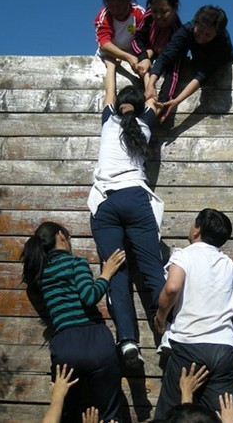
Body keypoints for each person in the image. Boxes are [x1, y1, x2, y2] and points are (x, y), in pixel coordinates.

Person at [87, 85, 166, 368]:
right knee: (152, 269)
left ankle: (128, 341)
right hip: (135, 197)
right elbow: (154, 100)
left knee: (115, 273)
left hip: (106, 202)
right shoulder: (145, 124)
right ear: (140, 107)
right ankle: (168, 334)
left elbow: (109, 88)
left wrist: (112, 63)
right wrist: (148, 73)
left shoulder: (109, 121)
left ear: (118, 105)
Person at [21, 221, 126, 422]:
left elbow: (30, 286)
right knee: (111, 414)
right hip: (95, 341)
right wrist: (106, 273)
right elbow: (89, 296)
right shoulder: (76, 263)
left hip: (65, 344)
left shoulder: (38, 273)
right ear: (61, 236)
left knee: (64, 411)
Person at [153, 208, 233, 418]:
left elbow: (172, 287)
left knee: (173, 416)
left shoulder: (184, 255)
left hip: (189, 345)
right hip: (224, 348)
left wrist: (160, 317)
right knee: (223, 414)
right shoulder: (228, 263)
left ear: (197, 231)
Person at [145, 5, 233, 121]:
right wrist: (151, 84)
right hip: (198, 58)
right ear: (195, 23)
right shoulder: (187, 30)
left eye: (208, 35)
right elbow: (165, 56)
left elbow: (202, 75)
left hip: (221, 62)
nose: (201, 36)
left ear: (216, 34)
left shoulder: (222, 42)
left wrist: (178, 100)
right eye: (199, 31)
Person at [94, 0, 145, 100]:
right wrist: (127, 57)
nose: (116, 10)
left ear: (128, 1)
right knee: (110, 66)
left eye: (120, 5)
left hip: (134, 54)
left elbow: (146, 38)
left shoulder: (139, 13)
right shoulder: (105, 15)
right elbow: (104, 44)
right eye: (112, 6)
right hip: (110, 55)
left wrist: (138, 57)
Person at [131, 0, 183, 102]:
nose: (158, 16)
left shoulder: (178, 34)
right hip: (146, 57)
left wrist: (163, 101)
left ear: (175, 8)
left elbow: (174, 72)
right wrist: (144, 56)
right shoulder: (149, 16)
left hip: (164, 62)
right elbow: (137, 39)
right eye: (155, 11)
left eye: (164, 11)